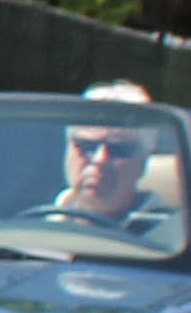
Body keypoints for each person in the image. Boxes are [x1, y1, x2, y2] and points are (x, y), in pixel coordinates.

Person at [53, 81, 175, 232]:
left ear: (143, 161)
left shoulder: (172, 236)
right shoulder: (34, 224)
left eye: (118, 150)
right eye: (87, 146)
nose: (100, 160)